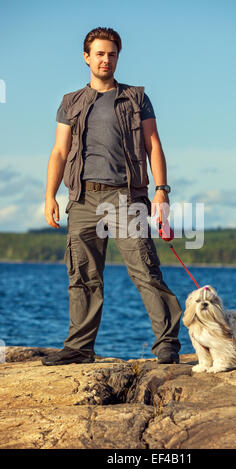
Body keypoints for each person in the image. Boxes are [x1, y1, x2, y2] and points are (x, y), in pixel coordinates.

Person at [42, 27, 182, 366]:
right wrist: (50, 195)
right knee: (82, 275)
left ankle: (167, 345)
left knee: (146, 271)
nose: (106, 60)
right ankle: (79, 348)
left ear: (118, 57)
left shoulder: (136, 98)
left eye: (112, 54)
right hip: (83, 199)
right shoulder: (70, 102)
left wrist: (161, 192)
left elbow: (153, 145)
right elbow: (60, 151)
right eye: (100, 54)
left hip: (126, 197)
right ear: (87, 57)